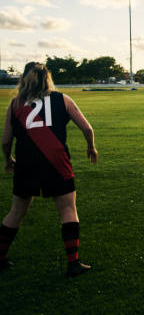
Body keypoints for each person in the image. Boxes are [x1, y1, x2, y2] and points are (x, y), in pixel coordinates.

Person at [0, 62, 98, 277]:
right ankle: (73, 263)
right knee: (68, 209)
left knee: (16, 211)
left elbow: (6, 140)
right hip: (56, 161)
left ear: (24, 78)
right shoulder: (62, 99)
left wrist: (8, 159)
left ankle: (1, 257)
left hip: (26, 163)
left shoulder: (16, 104)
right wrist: (91, 147)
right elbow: (87, 128)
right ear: (48, 79)